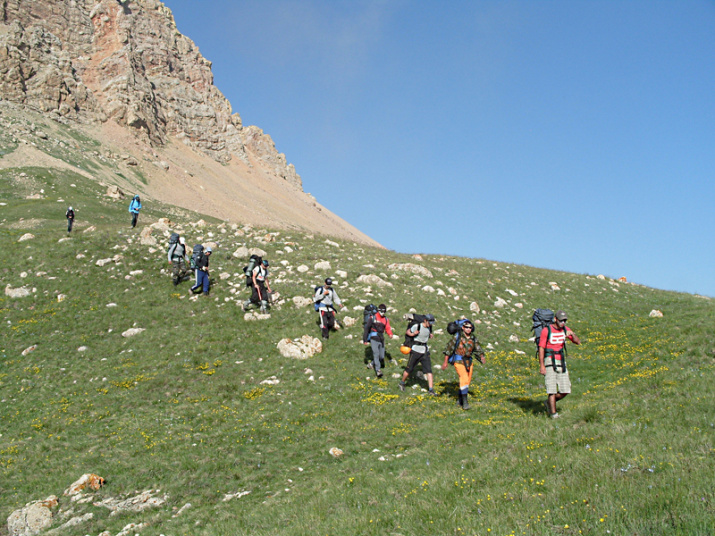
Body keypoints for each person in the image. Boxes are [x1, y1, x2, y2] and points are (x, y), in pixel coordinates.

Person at [538, 309, 581, 418]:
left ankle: (549, 402)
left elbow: (578, 342)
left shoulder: (565, 329)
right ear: (555, 319)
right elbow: (541, 348)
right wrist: (542, 365)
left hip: (561, 360)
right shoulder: (546, 330)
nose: (563, 323)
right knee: (551, 389)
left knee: (565, 390)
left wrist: (572, 334)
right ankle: (553, 414)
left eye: (565, 320)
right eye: (561, 320)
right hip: (549, 359)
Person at [441, 320, 485, 410]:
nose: (468, 329)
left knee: (467, 381)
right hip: (459, 360)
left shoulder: (473, 338)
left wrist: (481, 356)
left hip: (469, 361)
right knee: (464, 378)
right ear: (462, 328)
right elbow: (449, 349)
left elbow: (478, 347)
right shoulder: (457, 337)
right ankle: (465, 403)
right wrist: (445, 362)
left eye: (470, 327)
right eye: (466, 327)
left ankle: (460, 399)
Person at [399, 314, 436, 395]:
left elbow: (426, 335)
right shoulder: (417, 326)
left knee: (429, 371)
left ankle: (431, 390)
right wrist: (413, 334)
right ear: (425, 320)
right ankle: (402, 382)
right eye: (429, 322)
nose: (430, 324)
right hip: (415, 350)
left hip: (425, 351)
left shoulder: (429, 328)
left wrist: (430, 335)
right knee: (409, 369)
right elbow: (408, 331)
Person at [362, 304, 394, 378]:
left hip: (381, 339)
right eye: (381, 311)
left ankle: (372, 364)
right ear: (378, 310)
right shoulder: (372, 318)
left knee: (381, 356)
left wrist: (390, 334)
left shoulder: (386, 319)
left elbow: (388, 328)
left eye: (384, 311)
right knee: (376, 354)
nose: (383, 313)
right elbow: (367, 328)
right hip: (373, 338)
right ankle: (378, 370)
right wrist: (365, 339)